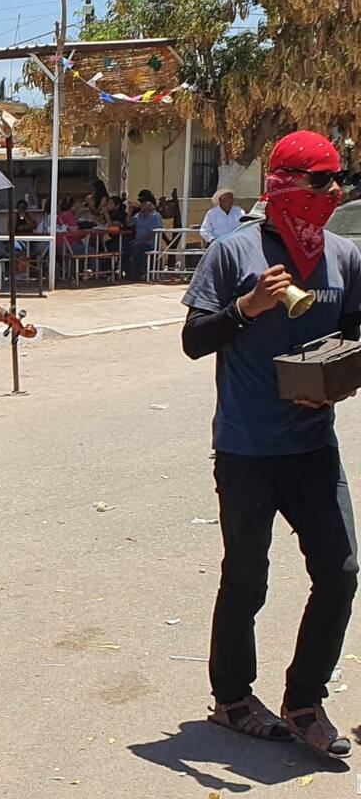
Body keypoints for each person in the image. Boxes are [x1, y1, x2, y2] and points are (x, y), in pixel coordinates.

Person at [182, 130, 358, 759]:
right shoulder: (233, 252)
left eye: (337, 179)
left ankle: (304, 701)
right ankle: (232, 698)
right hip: (246, 449)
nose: (331, 192)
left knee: (340, 572)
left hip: (313, 447)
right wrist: (247, 308)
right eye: (319, 180)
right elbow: (194, 340)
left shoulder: (344, 256)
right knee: (247, 579)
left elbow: (355, 337)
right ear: (283, 183)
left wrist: (334, 385)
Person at [124, 190, 163, 281]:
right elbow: (128, 223)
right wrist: (130, 211)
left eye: (143, 203)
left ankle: (140, 272)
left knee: (136, 247)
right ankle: (129, 272)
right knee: (126, 247)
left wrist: (141, 239)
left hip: (150, 243)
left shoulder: (155, 216)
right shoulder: (139, 215)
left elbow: (154, 232)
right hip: (138, 242)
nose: (141, 205)